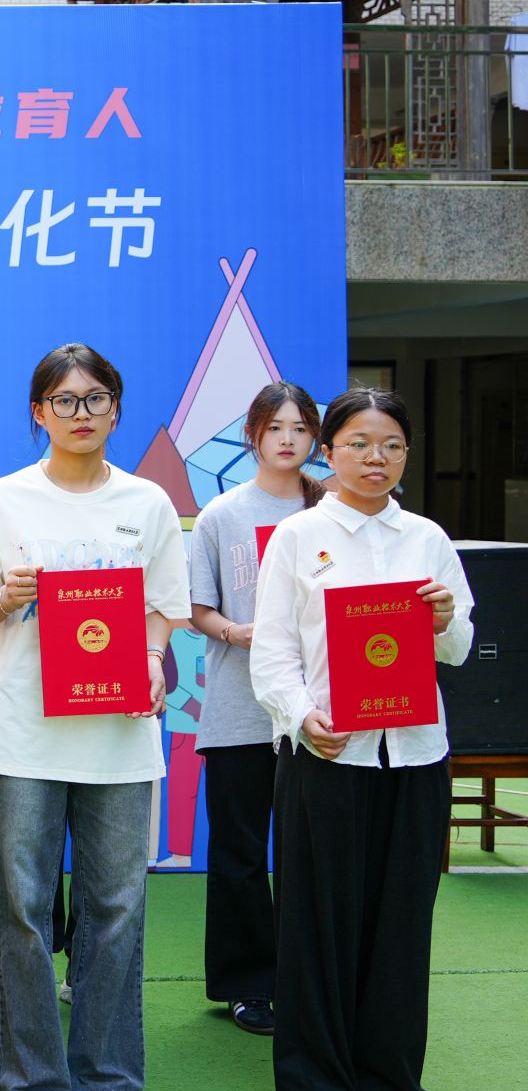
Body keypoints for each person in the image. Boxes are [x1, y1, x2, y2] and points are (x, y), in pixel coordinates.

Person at [0, 343, 189, 1091]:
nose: (81, 412)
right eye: (64, 400)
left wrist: (153, 657)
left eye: (95, 398)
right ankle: (31, 1073)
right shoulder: (2, 500)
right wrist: (6, 594)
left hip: (119, 736)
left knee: (116, 904)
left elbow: (164, 608)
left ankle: (107, 1070)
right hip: (26, 733)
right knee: (22, 906)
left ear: (116, 410)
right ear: (39, 411)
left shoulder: (147, 503)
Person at [252, 388, 472, 1091]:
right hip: (328, 752)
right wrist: (299, 715)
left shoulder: (428, 538)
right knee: (318, 917)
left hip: (415, 754)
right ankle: (316, 1076)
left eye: (391, 445)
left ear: (406, 454)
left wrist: (445, 619)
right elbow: (273, 650)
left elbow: (459, 647)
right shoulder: (297, 536)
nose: (376, 458)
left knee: (403, 916)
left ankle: (390, 1078)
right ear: (329, 451)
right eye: (358, 444)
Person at [186, 381, 324, 1039]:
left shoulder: (331, 511)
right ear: (253, 436)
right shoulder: (223, 514)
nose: (288, 439)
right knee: (239, 852)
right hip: (240, 709)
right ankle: (246, 984)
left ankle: (308, 979)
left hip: (318, 713)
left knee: (310, 852)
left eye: (300, 428)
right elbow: (197, 608)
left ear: (316, 438)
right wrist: (236, 632)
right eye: (276, 428)